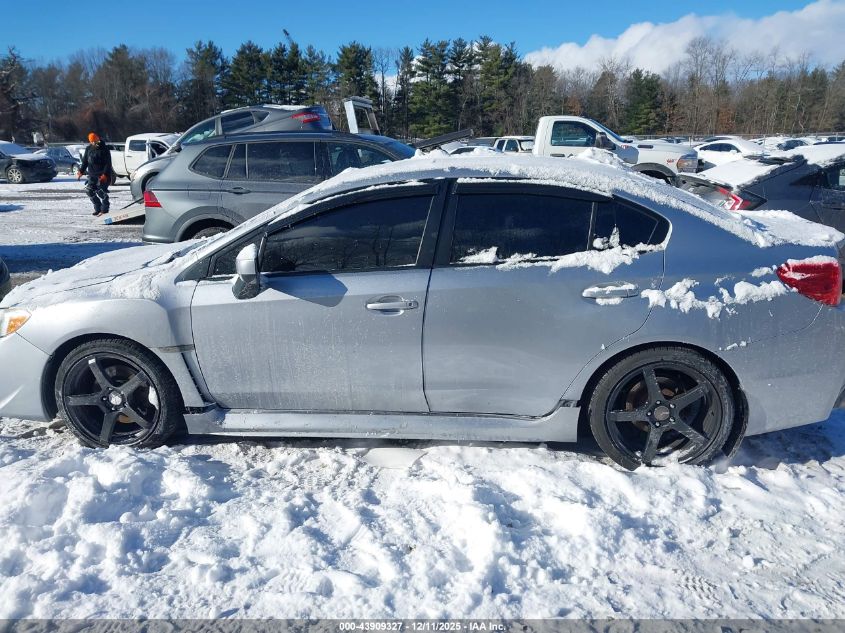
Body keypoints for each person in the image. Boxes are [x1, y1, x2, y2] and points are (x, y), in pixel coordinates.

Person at [77, 132, 114, 216]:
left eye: (95, 141)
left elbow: (108, 163)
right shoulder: (88, 149)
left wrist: (105, 174)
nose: (94, 143)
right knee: (89, 191)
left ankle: (104, 210)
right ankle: (98, 208)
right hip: (92, 175)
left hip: (103, 175)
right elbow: (85, 162)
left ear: (98, 139)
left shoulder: (104, 149)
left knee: (101, 191)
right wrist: (81, 171)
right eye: (92, 141)